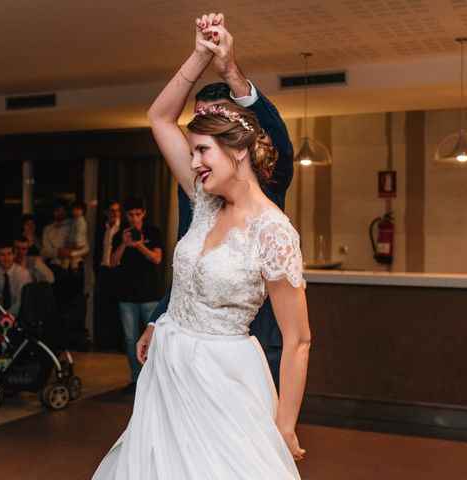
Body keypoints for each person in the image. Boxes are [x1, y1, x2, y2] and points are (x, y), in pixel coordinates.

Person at [93, 13, 310, 479]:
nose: (192, 163)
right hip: (169, 367)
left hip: (223, 376)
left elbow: (298, 338)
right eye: (191, 152)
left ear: (238, 150)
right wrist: (199, 55)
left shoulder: (273, 229)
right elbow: (158, 117)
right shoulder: (204, 202)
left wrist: (286, 426)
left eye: (202, 152)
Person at [146, 19, 294, 393]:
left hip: (247, 350)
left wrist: (229, 70)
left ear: (239, 141)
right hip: (177, 356)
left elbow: (300, 339)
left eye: (206, 143)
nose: (195, 158)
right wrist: (157, 319)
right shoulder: (200, 189)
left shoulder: (270, 190)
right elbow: (192, 268)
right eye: (194, 142)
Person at [110, 197, 163, 395]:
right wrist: (124, 244)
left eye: (137, 214)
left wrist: (140, 245)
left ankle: (156, 380)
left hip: (150, 294)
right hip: (126, 296)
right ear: (126, 216)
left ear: (143, 214)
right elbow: (112, 262)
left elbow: (157, 258)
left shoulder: (152, 232)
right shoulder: (120, 235)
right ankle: (136, 379)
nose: (134, 219)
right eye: (130, 215)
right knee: (130, 339)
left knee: (155, 340)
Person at [93, 200, 122, 350]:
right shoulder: (101, 229)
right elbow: (97, 251)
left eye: (117, 211)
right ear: (106, 212)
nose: (115, 214)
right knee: (104, 308)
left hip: (118, 271)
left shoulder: (123, 228)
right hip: (104, 270)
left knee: (119, 308)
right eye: (112, 210)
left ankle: (119, 343)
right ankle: (105, 343)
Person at [0, 241, 32, 317]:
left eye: (9, 254)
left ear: (14, 255)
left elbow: (20, 302)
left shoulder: (23, 274)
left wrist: (6, 316)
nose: (6, 258)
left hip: (21, 315)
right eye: (2, 255)